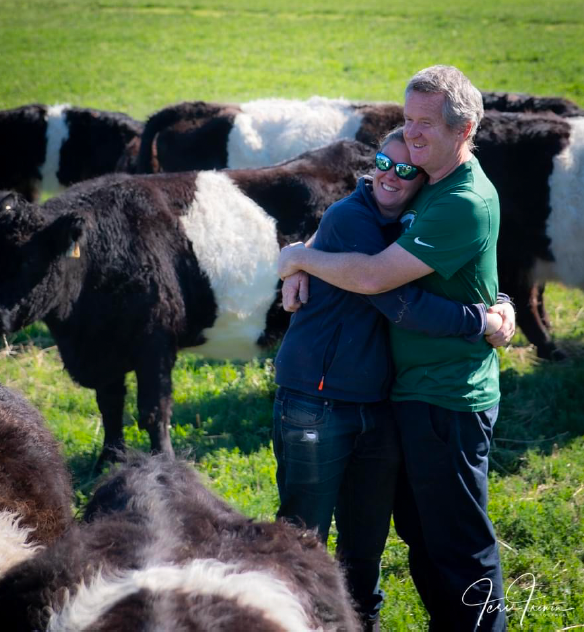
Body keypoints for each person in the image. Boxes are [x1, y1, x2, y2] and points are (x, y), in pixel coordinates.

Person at [278, 66, 510, 631]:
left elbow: (382, 280)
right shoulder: (429, 182)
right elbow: (360, 222)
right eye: (406, 121)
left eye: (425, 124)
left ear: (465, 128)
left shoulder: (459, 198)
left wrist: (486, 315)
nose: (410, 138)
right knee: (422, 536)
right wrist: (302, 253)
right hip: (397, 394)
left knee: (455, 543)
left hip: (446, 395)